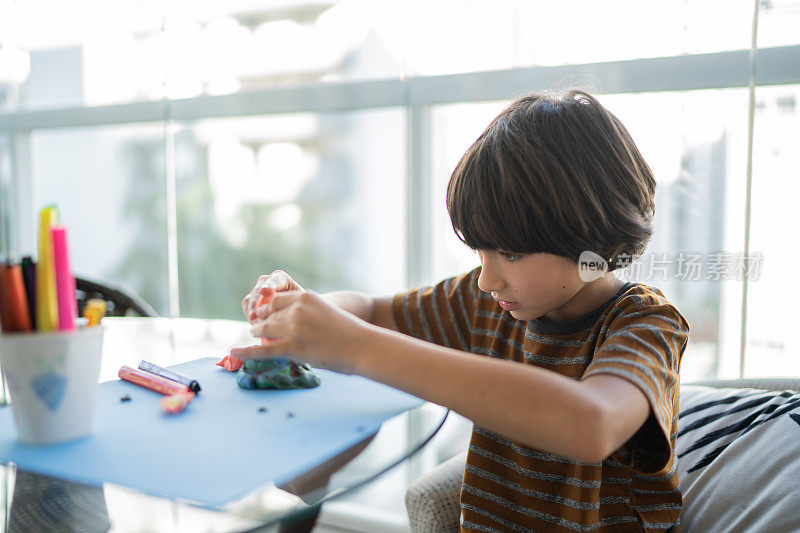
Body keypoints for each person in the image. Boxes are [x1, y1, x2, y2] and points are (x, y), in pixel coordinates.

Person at [235, 89, 690, 532]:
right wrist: (308, 308)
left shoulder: (647, 323)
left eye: (509, 254)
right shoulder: (487, 305)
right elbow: (369, 311)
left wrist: (357, 348)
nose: (487, 280)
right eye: (479, 252)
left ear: (591, 236)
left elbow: (592, 424)